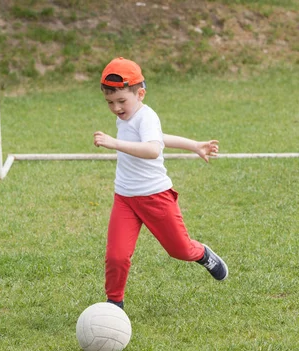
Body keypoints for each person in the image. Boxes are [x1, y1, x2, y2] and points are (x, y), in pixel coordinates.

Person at [93, 57, 228, 310]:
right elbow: (159, 138)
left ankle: (203, 254)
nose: (115, 107)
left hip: (155, 197)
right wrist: (194, 145)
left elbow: (153, 148)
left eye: (121, 101)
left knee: (180, 250)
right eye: (110, 102)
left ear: (140, 93)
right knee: (116, 256)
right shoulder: (124, 116)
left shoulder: (146, 116)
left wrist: (114, 143)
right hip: (125, 197)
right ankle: (114, 305)